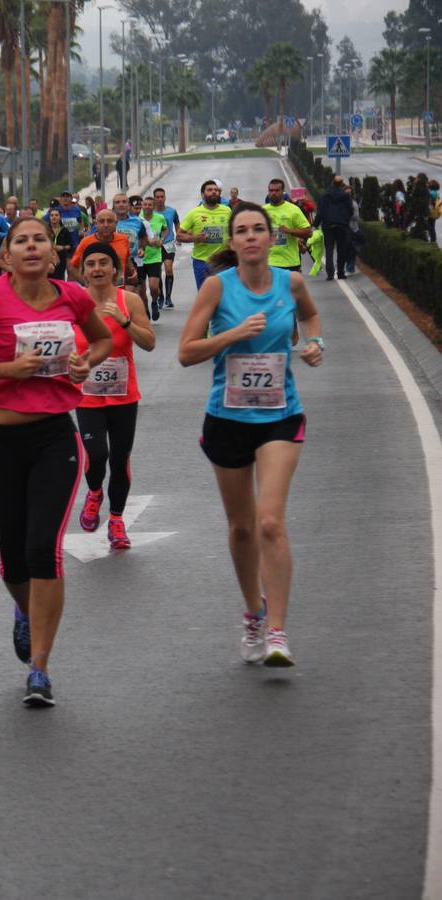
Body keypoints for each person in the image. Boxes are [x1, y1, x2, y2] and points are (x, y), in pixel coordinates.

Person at [0, 217, 112, 707]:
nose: (32, 246)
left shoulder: (73, 298)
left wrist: (87, 362)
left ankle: (39, 667)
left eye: (40, 240)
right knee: (13, 562)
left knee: (44, 551)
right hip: (2, 441)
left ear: (53, 254)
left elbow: (99, 341)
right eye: (22, 241)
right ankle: (25, 613)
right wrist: (7, 370)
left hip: (56, 438)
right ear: (7, 256)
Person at [177, 203, 323, 666]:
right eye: (242, 231)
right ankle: (254, 613)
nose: (252, 237)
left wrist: (317, 343)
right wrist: (232, 335)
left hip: (281, 415)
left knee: (269, 521)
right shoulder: (218, 288)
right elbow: (186, 353)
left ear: (272, 236)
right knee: (241, 528)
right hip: (227, 417)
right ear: (233, 242)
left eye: (259, 229)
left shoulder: (291, 283)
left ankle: (278, 631)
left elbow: (312, 318)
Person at [72, 243, 155, 550]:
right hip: (87, 395)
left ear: (114, 269)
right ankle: (94, 492)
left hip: (123, 395)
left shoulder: (129, 300)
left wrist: (125, 321)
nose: (97, 269)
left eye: (103, 263)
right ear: (83, 272)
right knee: (96, 455)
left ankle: (117, 520)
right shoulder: (75, 303)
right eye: (90, 264)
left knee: (120, 459)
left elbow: (149, 343)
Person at [177, 180, 233, 290]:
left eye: (216, 190)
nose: (214, 192)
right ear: (203, 194)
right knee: (206, 295)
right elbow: (179, 236)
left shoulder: (227, 211)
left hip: (223, 261)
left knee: (224, 295)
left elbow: (234, 231)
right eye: (210, 190)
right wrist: (194, 238)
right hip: (202, 262)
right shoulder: (194, 213)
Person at [67, 208, 132, 284]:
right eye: (101, 221)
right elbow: (73, 266)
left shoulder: (123, 240)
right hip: (96, 292)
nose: (106, 225)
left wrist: (132, 272)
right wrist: (86, 283)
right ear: (96, 224)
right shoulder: (86, 242)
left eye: (109, 221)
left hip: (119, 290)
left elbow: (126, 259)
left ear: (116, 223)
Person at [263, 178, 313, 272]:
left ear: (282, 192)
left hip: (289, 263)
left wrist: (290, 231)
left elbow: (309, 232)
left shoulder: (293, 210)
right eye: (271, 190)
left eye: (277, 190)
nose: (274, 193)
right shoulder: (262, 211)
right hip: (269, 262)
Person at [313, 176, 355, 281]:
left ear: (332, 183)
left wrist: (315, 224)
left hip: (328, 225)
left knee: (329, 249)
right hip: (342, 226)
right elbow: (351, 210)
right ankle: (340, 273)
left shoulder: (324, 196)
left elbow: (320, 212)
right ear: (342, 184)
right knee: (342, 250)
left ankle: (330, 274)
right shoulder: (346, 196)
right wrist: (345, 220)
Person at [139, 195, 167, 320]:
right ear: (142, 206)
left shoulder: (160, 218)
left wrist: (162, 239)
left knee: (154, 287)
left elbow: (165, 229)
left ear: (154, 206)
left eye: (150, 205)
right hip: (139, 258)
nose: (147, 207)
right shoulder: (137, 219)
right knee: (141, 289)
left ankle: (154, 301)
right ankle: (145, 309)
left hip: (155, 256)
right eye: (145, 204)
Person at [152, 187, 180, 308]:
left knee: (168, 268)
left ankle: (168, 297)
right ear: (154, 198)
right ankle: (161, 296)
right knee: (157, 271)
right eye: (157, 197)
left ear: (165, 197)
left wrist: (178, 235)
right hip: (154, 244)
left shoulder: (171, 211)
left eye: (161, 197)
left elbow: (177, 222)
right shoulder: (150, 212)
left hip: (168, 242)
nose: (159, 199)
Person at [47, 208, 73, 279]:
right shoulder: (45, 230)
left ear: (60, 217)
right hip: (48, 259)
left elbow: (70, 246)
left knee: (59, 279)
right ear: (49, 217)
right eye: (52, 215)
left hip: (61, 259)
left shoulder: (64, 230)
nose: (54, 217)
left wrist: (62, 247)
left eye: (56, 215)